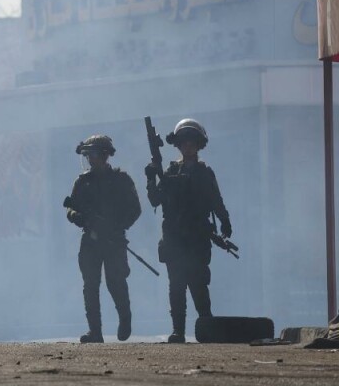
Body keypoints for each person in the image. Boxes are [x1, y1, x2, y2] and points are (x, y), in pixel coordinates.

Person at [145, 118, 232, 344]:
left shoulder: (205, 173)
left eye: (192, 142)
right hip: (174, 238)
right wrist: (150, 177)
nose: (187, 146)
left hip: (197, 237)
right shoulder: (170, 172)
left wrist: (225, 222)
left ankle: (207, 326)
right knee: (176, 286)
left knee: (199, 284)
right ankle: (178, 331)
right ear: (179, 145)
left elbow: (216, 200)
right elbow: (155, 199)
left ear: (198, 145)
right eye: (184, 142)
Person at [65, 135, 141, 343]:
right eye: (88, 155)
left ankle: (125, 318)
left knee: (115, 281)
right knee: (90, 285)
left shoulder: (121, 180)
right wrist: (76, 217)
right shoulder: (83, 182)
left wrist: (117, 227)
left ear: (106, 155)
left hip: (114, 241)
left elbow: (135, 209)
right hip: (90, 241)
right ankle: (95, 331)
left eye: (95, 154)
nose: (91, 159)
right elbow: (71, 207)